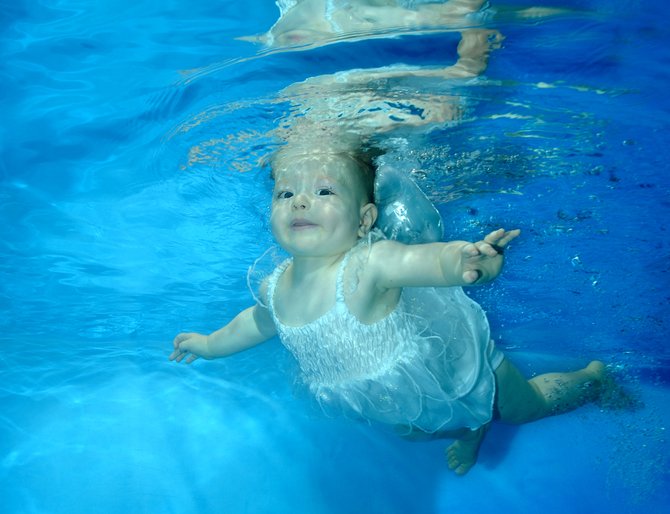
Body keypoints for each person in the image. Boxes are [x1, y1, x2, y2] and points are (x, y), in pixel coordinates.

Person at [170, 144, 608, 476]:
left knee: (520, 409)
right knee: (415, 428)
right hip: (393, 391)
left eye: (323, 190)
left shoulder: (368, 266)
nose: (299, 202)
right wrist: (211, 344)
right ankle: (473, 428)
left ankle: (592, 378)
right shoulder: (275, 284)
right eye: (286, 193)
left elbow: (422, 260)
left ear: (364, 220)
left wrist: (465, 260)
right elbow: (260, 322)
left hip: (454, 367)